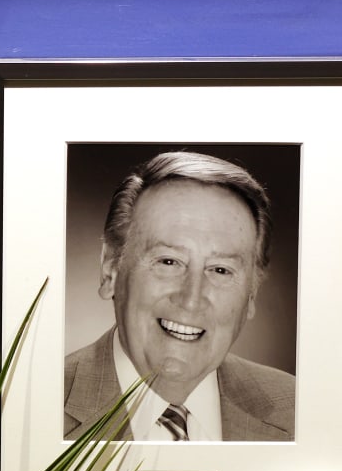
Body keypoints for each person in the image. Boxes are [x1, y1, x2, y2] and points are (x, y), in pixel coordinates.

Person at [63, 151, 295, 442]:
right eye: (168, 262)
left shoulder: (299, 412)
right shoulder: (32, 409)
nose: (191, 299)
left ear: (251, 295)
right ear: (111, 269)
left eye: (220, 270)